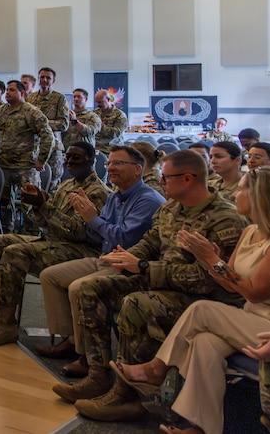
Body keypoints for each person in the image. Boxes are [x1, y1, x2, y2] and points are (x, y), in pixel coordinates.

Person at [57, 150, 247, 417]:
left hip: (205, 302)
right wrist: (129, 256)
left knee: (137, 303)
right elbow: (152, 240)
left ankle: (128, 395)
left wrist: (145, 267)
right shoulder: (170, 207)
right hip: (166, 285)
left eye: (165, 177)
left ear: (188, 179)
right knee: (91, 288)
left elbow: (207, 280)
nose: (160, 181)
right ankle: (98, 374)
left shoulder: (225, 219)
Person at [110, 168, 270, 434]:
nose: (235, 193)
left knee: (202, 309)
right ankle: (201, 428)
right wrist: (211, 259)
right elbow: (228, 280)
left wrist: (212, 260)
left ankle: (156, 369)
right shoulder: (250, 231)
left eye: (242, 189)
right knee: (204, 343)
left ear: (259, 196)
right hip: (247, 317)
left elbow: (254, 291)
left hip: (264, 324)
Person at [0, 142, 111, 347]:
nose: (70, 161)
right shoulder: (66, 184)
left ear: (91, 161)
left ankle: (6, 325)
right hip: (52, 241)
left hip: (80, 250)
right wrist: (37, 205)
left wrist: (43, 206)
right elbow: (44, 221)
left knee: (15, 253)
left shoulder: (98, 192)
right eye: (68, 157)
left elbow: (81, 232)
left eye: (77, 158)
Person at [35, 145, 165, 365]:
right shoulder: (115, 197)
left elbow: (122, 238)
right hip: (104, 257)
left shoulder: (148, 200)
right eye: (109, 163)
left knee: (78, 287)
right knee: (50, 276)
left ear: (137, 169)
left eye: (118, 163)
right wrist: (88, 221)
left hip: (128, 266)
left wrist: (92, 218)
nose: (111, 168)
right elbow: (96, 235)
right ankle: (72, 339)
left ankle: (87, 356)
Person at [0, 79, 54, 233]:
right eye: (7, 90)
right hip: (5, 166)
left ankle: (31, 238)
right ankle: (7, 235)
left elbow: (48, 136)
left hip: (26, 167)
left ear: (22, 93)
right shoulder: (1, 111)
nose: (8, 93)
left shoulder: (32, 112)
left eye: (12, 90)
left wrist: (41, 159)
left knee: (29, 205)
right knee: (5, 204)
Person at [27, 67, 70, 191]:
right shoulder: (30, 98)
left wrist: (42, 124)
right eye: (42, 77)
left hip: (53, 146)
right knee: (33, 185)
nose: (44, 80)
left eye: (48, 78)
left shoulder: (59, 98)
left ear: (53, 81)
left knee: (53, 184)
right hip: (34, 147)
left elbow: (63, 124)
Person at [209, 140, 243, 206]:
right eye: (211, 157)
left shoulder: (248, 187)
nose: (212, 161)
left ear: (237, 160)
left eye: (219, 156)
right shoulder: (210, 185)